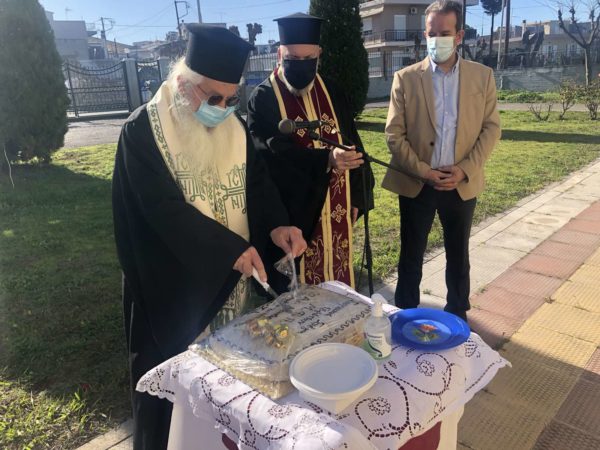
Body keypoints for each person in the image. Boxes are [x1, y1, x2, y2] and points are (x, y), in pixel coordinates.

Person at [112, 24, 306, 449]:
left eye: (231, 99)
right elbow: (159, 211)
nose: (222, 108)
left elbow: (256, 184)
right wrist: (230, 251)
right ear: (184, 82)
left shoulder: (233, 128)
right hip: (175, 296)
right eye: (213, 97)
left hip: (233, 291)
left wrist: (278, 224)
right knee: (174, 415)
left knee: (231, 407)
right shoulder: (143, 130)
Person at [382, 0, 501, 322]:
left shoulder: (482, 76)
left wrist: (464, 170)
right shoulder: (406, 78)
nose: (437, 40)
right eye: (432, 33)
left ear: (459, 35)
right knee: (410, 256)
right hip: (417, 182)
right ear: (425, 34)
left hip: (460, 183)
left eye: (444, 33)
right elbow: (394, 134)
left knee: (458, 256)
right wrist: (423, 171)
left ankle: (458, 316)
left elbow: (491, 128)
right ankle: (404, 316)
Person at [247, 12, 374, 293]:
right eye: (292, 58)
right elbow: (270, 155)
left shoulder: (332, 91)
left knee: (339, 288)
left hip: (336, 209)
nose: (300, 65)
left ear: (319, 55)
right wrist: (325, 159)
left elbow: (352, 143)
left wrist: (356, 195)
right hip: (295, 213)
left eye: (308, 59)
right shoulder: (264, 98)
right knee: (297, 301)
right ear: (279, 54)